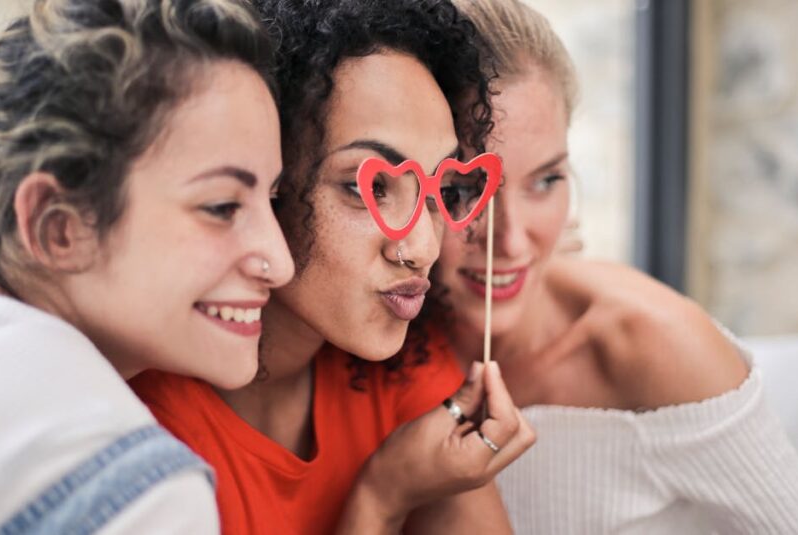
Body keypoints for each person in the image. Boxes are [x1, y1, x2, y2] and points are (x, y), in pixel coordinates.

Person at [0, 0, 295, 532]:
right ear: (58, 226)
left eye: (272, 201)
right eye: (221, 207)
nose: (280, 264)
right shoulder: (140, 494)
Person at [434, 0, 798, 533]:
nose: (511, 239)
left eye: (546, 180)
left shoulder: (656, 343)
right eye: (464, 188)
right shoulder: (381, 344)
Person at [129, 1, 535, 533]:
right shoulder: (145, 431)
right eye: (367, 188)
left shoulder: (404, 369)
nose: (421, 248)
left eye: (441, 188)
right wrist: (381, 498)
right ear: (265, 180)